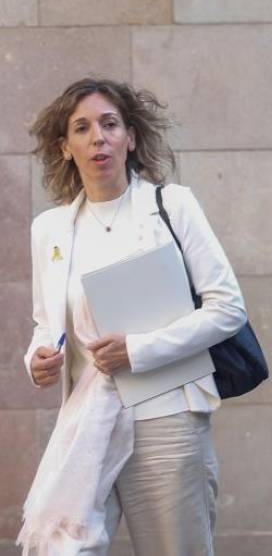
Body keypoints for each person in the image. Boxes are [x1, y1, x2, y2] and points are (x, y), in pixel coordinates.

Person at [19, 78, 247, 555]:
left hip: (166, 417)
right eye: (82, 128)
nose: (98, 138)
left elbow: (227, 309)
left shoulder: (172, 206)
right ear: (65, 148)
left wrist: (137, 351)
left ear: (131, 137)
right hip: (86, 421)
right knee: (59, 547)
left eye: (109, 124)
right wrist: (37, 358)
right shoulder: (50, 230)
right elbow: (47, 323)